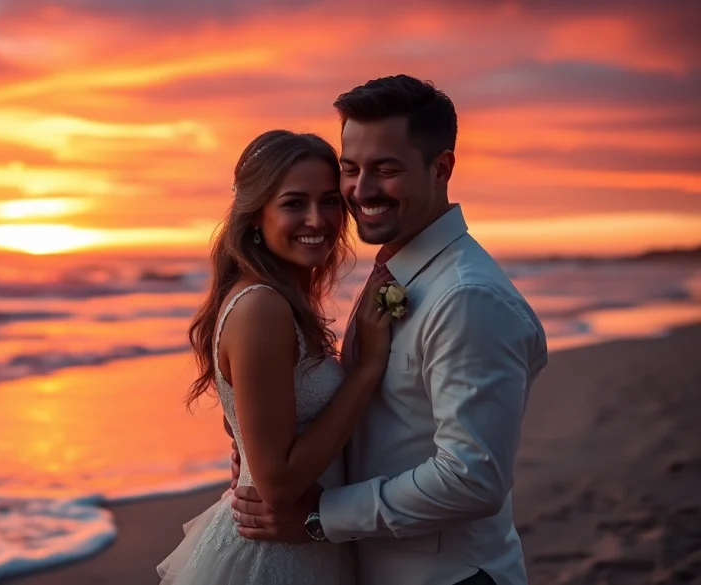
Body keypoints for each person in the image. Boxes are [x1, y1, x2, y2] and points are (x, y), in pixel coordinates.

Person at [229, 75, 549, 585]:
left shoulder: (467, 298)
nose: (361, 190)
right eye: (351, 169)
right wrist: (261, 449)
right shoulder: (397, 271)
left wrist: (320, 518)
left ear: (441, 168)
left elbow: (472, 478)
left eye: (386, 169)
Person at [156, 129, 395, 584]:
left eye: (329, 201)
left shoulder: (284, 300)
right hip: (271, 559)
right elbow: (279, 485)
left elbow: (247, 422)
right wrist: (366, 371)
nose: (317, 219)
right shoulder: (262, 307)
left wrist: (249, 451)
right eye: (293, 203)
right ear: (255, 215)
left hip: (303, 544)